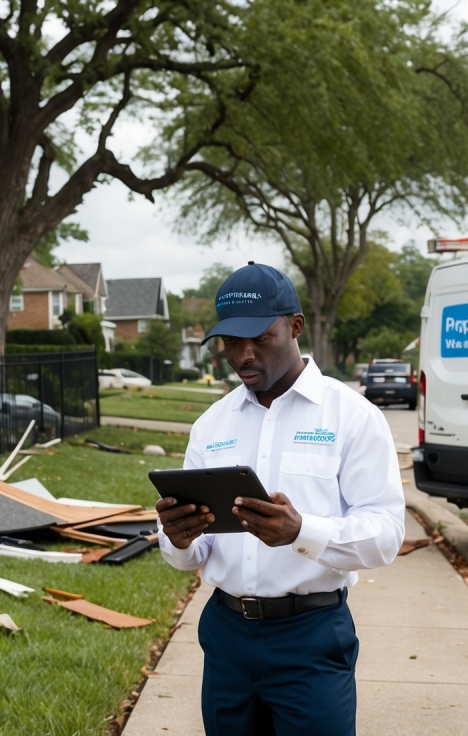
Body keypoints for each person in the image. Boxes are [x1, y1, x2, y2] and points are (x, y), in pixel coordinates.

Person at [156, 262, 405, 735]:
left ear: (295, 326)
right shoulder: (212, 424)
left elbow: (387, 534)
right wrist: (180, 538)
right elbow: (191, 556)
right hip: (226, 637)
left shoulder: (351, 416)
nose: (244, 355)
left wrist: (301, 531)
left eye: (261, 338)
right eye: (231, 342)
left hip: (310, 639)